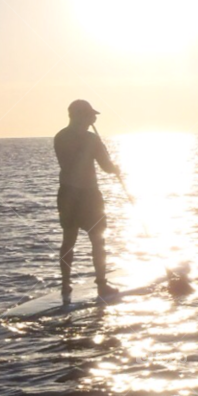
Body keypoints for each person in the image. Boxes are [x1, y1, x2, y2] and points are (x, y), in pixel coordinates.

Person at [54, 100, 120, 302]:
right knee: (97, 240)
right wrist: (114, 167)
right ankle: (101, 284)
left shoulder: (60, 137)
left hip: (67, 194)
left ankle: (66, 284)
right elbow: (106, 166)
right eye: (91, 115)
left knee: (69, 240)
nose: (94, 118)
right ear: (79, 115)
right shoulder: (90, 139)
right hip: (88, 195)